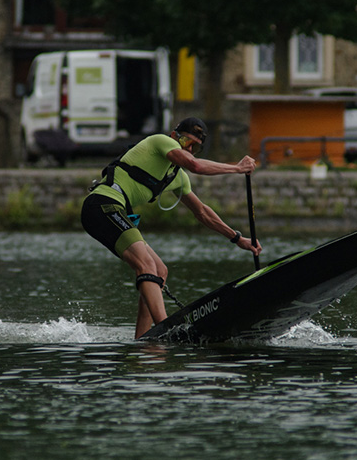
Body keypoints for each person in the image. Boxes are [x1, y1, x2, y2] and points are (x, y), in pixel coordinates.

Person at [80, 117, 262, 339]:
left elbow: (202, 212)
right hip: (101, 206)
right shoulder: (160, 141)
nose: (191, 149)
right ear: (175, 136)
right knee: (146, 265)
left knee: (160, 270)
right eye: (187, 142)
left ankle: (145, 340)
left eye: (197, 147)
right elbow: (195, 165)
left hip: (114, 212)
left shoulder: (177, 177)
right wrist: (237, 168)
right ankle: (165, 329)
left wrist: (237, 238)